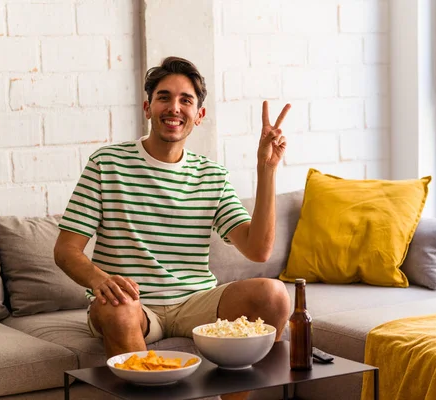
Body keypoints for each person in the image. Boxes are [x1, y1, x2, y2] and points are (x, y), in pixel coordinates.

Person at [54, 56, 291, 400]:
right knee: (118, 308)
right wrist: (100, 280)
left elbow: (258, 250)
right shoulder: (107, 163)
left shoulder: (212, 175)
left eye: (186, 100)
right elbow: (65, 251)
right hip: (133, 304)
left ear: (199, 114)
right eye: (164, 97)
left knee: (274, 294)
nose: (174, 108)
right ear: (148, 107)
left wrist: (266, 168)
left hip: (196, 300)